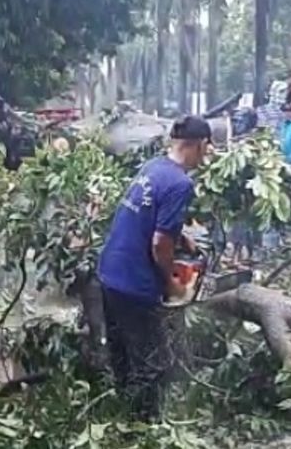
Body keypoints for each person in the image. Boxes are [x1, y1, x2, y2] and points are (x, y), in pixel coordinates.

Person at [97, 115, 211, 422]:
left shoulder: (154, 168)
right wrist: (171, 283)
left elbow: (150, 216)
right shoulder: (181, 183)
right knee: (154, 364)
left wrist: (180, 234)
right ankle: (143, 430)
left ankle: (121, 422)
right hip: (135, 282)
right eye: (206, 147)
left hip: (110, 272)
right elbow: (160, 245)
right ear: (199, 145)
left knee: (123, 357)